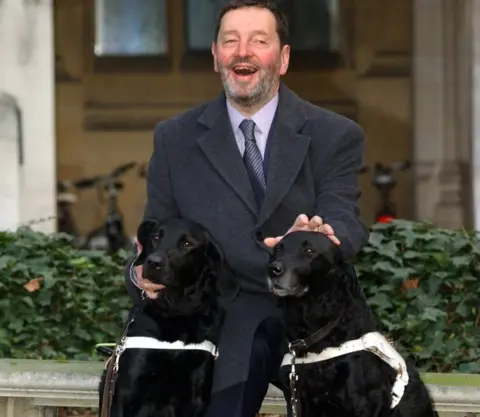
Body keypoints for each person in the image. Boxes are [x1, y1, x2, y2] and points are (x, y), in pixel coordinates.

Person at [124, 0, 369, 416]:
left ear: (283, 58)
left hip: (314, 317)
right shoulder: (174, 139)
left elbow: (344, 215)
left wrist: (324, 235)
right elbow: (156, 236)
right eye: (231, 41)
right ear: (216, 57)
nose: (243, 52)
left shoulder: (336, 134)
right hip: (224, 321)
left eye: (259, 41)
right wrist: (139, 274)